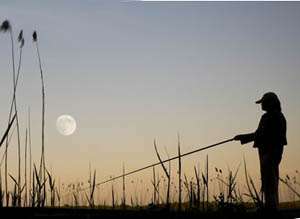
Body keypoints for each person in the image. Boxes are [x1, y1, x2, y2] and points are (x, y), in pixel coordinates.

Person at [234, 92, 287, 210]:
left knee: (268, 182)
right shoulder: (280, 117)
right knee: (271, 181)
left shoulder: (268, 117)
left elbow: (260, 135)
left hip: (268, 154)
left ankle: (271, 209)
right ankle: (272, 207)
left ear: (270, 103)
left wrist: (243, 137)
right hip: (274, 154)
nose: (261, 105)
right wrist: (243, 137)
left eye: (263, 102)